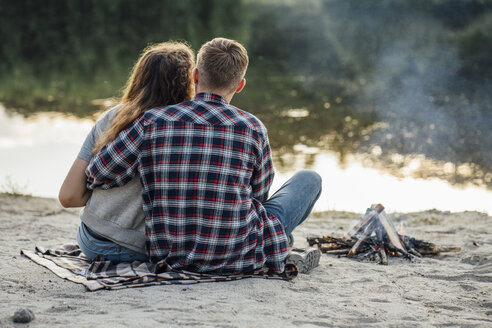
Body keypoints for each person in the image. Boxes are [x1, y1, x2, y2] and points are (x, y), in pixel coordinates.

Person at [86, 37, 322, 274]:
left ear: (195, 75)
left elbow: (99, 173)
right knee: (309, 179)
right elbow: (258, 196)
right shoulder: (253, 128)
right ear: (240, 85)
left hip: (170, 256)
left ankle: (281, 244)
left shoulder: (153, 121)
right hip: (239, 254)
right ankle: (279, 245)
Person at [58, 41, 195, 262]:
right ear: (190, 82)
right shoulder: (191, 128)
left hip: (93, 241)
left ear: (139, 77)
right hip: (148, 248)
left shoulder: (112, 118)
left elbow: (69, 196)